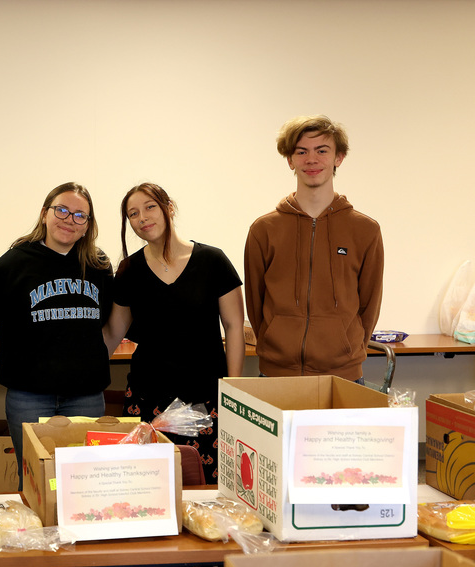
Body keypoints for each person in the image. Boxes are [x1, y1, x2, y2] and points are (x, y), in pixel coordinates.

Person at [0, 182, 113, 567]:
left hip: (85, 394)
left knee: (84, 491)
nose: (69, 220)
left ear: (89, 223)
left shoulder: (99, 267)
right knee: (33, 492)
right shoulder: (16, 261)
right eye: (62, 210)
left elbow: (108, 320)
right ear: (46, 212)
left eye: (79, 215)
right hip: (29, 394)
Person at [103, 183, 244, 484]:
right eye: (133, 213)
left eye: (150, 207)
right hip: (147, 396)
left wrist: (232, 389)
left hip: (204, 396)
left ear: (169, 208)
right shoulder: (129, 270)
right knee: (148, 485)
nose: (142, 217)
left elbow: (233, 327)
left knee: (204, 484)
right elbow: (114, 331)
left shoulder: (212, 261)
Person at [245, 115, 384, 381]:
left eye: (322, 150)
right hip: (276, 375)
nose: (312, 159)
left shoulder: (365, 230)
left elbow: (369, 303)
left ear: (338, 158)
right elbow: (255, 300)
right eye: (302, 151)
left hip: (343, 376)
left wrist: (345, 348)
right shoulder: (263, 229)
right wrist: (275, 342)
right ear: (290, 160)